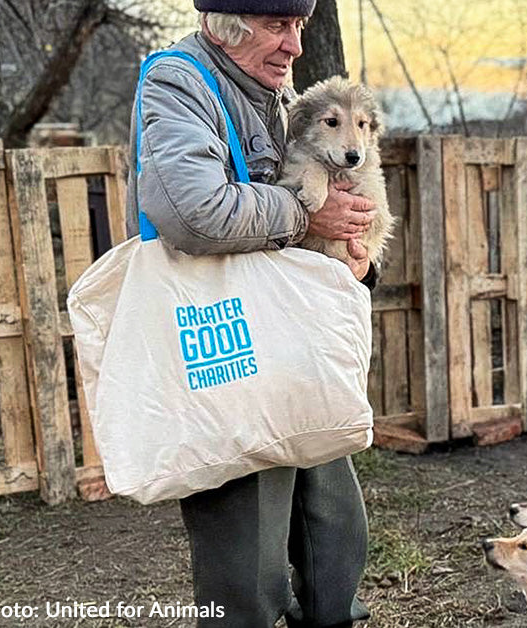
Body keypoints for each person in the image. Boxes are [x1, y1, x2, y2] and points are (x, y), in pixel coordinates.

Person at [125, 1, 374, 625]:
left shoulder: (275, 95)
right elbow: (190, 213)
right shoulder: (180, 81)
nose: (293, 46)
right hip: (226, 346)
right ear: (226, 24)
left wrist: (357, 250)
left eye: (298, 27)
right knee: (249, 560)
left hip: (289, 344)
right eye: (276, 27)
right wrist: (302, 215)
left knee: (334, 528)